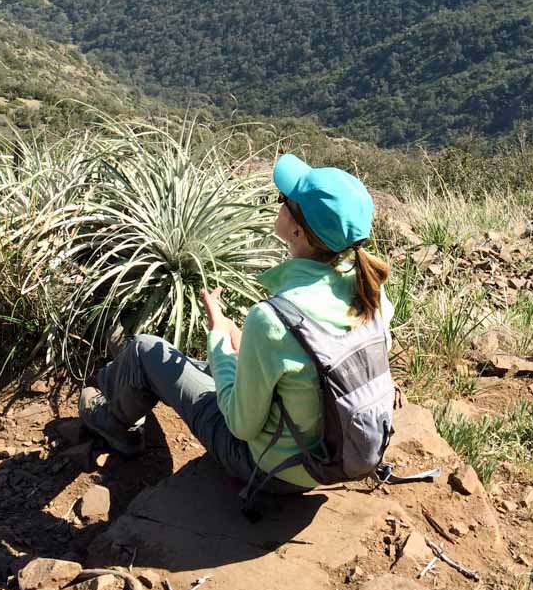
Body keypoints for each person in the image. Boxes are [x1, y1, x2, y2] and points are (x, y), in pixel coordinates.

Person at [77, 154, 395, 500]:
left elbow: (241, 425)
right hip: (333, 456)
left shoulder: (272, 319)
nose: (279, 205)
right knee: (188, 364)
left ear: (297, 230)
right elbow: (307, 372)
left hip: (270, 469)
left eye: (283, 201)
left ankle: (112, 416)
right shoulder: (369, 293)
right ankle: (118, 377)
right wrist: (240, 345)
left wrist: (218, 338)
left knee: (146, 351)